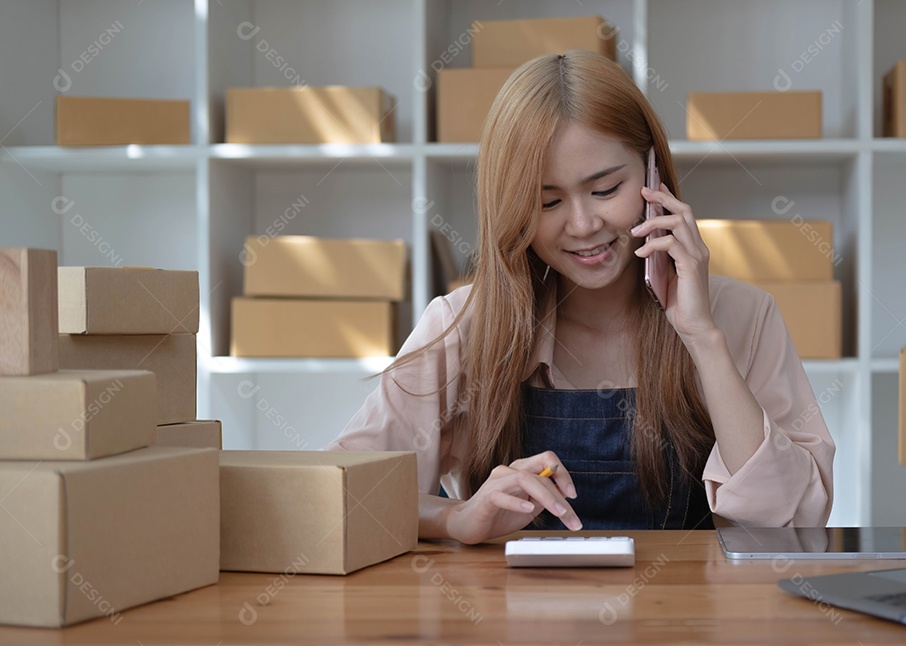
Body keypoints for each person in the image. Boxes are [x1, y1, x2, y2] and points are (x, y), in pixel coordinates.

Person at [327, 50, 834, 544]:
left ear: (653, 174)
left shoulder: (744, 317)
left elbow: (792, 526)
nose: (584, 225)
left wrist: (703, 339)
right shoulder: (463, 325)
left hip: (686, 626)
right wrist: (458, 517)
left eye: (606, 189)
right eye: (547, 201)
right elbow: (344, 494)